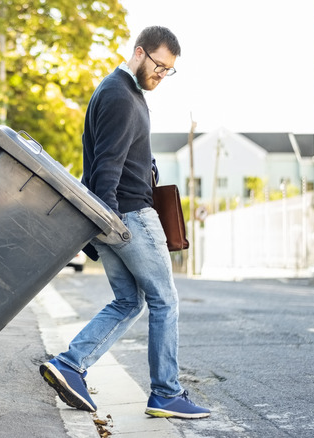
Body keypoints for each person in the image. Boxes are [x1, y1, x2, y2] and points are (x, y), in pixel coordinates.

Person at [39, 26, 210, 419]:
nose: (161, 75)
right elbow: (106, 167)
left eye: (168, 71)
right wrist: (111, 223)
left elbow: (106, 161)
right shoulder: (119, 95)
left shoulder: (121, 92)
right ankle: (166, 393)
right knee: (165, 301)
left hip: (116, 215)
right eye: (158, 65)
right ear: (139, 52)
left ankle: (70, 364)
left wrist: (99, 227)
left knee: (128, 301)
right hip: (129, 215)